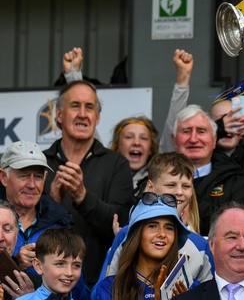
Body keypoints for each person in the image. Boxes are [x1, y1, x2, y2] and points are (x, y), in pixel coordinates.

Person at [44, 80, 134, 287]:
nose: (83, 114)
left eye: (89, 107)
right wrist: (51, 203)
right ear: (59, 115)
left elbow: (121, 224)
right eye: (75, 106)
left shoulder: (116, 164)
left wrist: (82, 197)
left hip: (99, 286)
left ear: (98, 118)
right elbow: (24, 225)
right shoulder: (41, 164)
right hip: (45, 286)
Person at [98, 152, 213, 297]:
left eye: (186, 186)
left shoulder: (201, 246)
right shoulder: (127, 233)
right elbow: (102, 293)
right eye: (171, 185)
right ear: (150, 187)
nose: (179, 192)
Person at [171, 105, 244, 235]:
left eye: (201, 131)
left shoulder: (237, 181)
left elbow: (240, 228)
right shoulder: (157, 179)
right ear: (174, 140)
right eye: (186, 131)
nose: (194, 139)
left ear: (215, 139)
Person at [0, 141, 72, 273]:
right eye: (24, 176)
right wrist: (15, 264)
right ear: (3, 177)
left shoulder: (61, 223)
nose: (32, 185)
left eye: (38, 176)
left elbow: (76, 288)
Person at [110, 116, 159, 198]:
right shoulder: (105, 177)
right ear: (117, 146)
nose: (136, 142)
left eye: (143, 138)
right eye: (129, 137)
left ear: (151, 148)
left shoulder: (158, 180)